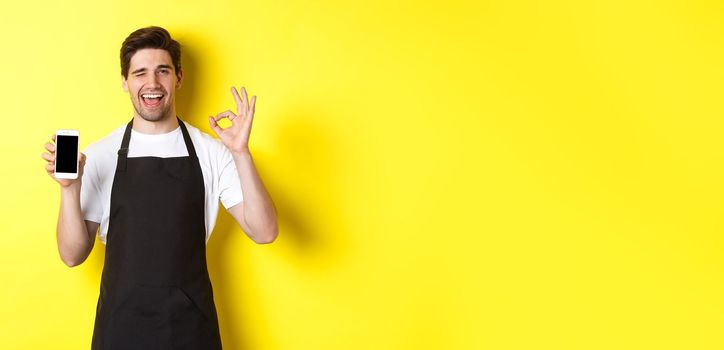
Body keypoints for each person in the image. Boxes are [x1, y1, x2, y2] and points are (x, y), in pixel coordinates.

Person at [41, 26, 278, 349]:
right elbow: (72, 255)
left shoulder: (211, 152)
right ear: (125, 82)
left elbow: (264, 231)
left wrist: (240, 153)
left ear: (178, 78)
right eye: (140, 73)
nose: (151, 84)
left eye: (162, 71)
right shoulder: (100, 155)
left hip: (190, 330)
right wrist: (69, 188)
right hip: (119, 330)